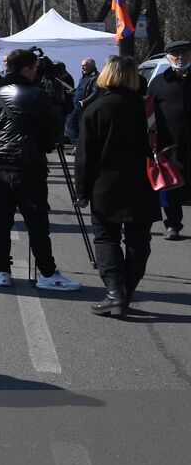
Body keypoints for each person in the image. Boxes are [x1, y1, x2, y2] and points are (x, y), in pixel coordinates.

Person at [0, 49, 82, 292]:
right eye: (34, 68)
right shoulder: (36, 95)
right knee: (37, 221)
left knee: (2, 219)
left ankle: (2, 269)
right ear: (27, 69)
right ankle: (47, 272)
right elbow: (55, 128)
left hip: (0, 164)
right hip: (28, 165)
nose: (36, 72)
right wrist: (45, 143)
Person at [76, 56, 159, 317]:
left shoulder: (96, 109)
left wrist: (81, 190)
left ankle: (114, 292)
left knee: (106, 238)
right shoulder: (147, 108)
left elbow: (85, 155)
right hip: (144, 182)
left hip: (106, 184)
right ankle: (127, 289)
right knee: (139, 241)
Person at [148, 40, 191, 240]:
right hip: (170, 146)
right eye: (175, 54)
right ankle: (173, 224)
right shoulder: (158, 83)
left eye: (184, 53)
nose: (180, 57)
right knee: (172, 188)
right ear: (168, 57)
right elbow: (149, 115)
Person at [66, 58, 98, 145]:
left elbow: (95, 92)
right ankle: (77, 144)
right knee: (71, 123)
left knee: (81, 126)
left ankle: (81, 145)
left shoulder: (95, 77)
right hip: (77, 106)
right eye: (81, 66)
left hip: (85, 106)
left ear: (91, 66)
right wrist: (74, 91)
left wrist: (85, 101)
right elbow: (81, 88)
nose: (82, 68)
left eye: (84, 66)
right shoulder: (84, 76)